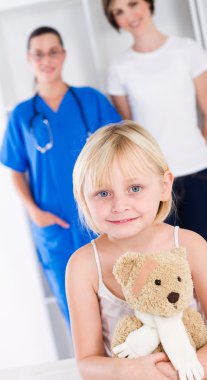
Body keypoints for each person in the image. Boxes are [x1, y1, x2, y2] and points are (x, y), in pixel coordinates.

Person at [66, 120, 207, 380]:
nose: (120, 205)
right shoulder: (83, 266)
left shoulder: (191, 246)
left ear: (164, 185)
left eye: (134, 188)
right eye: (103, 193)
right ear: (83, 198)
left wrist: (178, 372)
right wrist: (132, 371)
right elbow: (87, 364)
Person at [102, 0, 207, 287]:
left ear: (148, 3)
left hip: (199, 175)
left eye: (133, 4)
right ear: (115, 22)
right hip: (153, 185)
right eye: (118, 13)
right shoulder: (119, 67)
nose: (129, 15)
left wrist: (199, 158)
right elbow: (129, 132)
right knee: (165, 275)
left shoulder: (187, 50)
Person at [0, 26, 121, 324]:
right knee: (77, 310)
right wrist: (35, 213)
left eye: (53, 51)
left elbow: (120, 150)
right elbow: (15, 170)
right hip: (55, 226)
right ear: (29, 59)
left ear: (64, 55)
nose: (47, 59)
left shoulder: (90, 101)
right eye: (39, 54)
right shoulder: (21, 115)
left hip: (100, 218)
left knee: (120, 298)